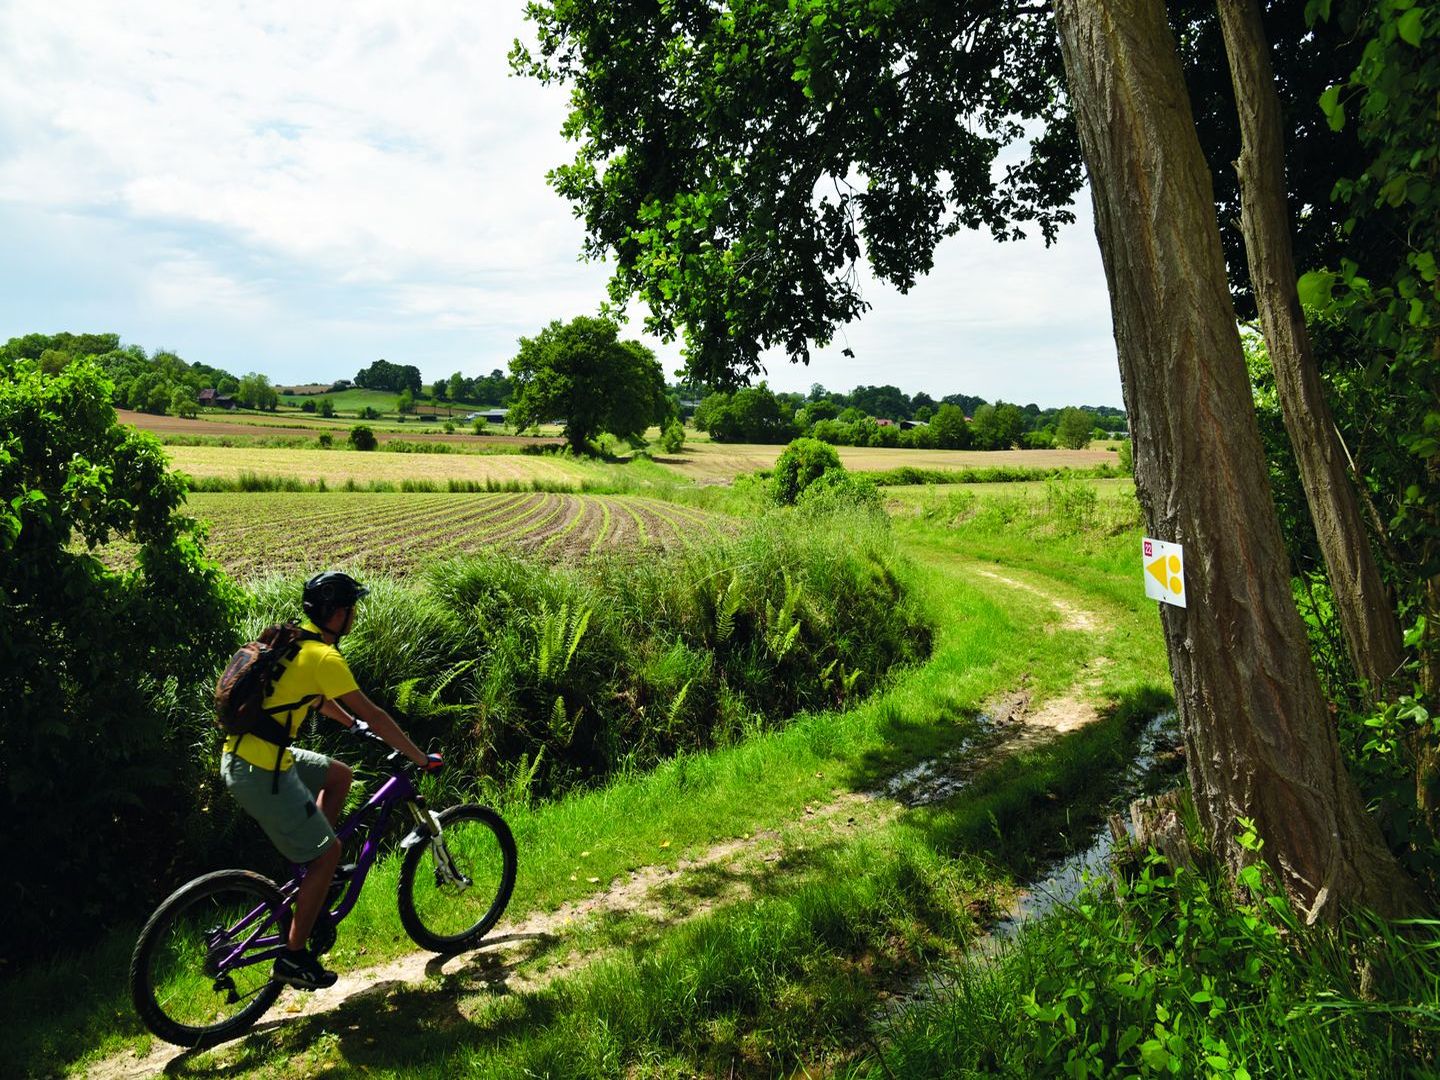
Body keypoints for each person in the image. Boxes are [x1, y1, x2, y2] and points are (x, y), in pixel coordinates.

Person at [220, 570, 439, 990]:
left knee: (339, 776)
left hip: (243, 755)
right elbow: (376, 713)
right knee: (329, 853)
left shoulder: (292, 640)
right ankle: (293, 955)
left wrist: (351, 725)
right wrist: (419, 757)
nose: (354, 615)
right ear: (338, 614)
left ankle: (317, 875)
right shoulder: (325, 657)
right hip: (261, 771)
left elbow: (316, 698)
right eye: (352, 608)